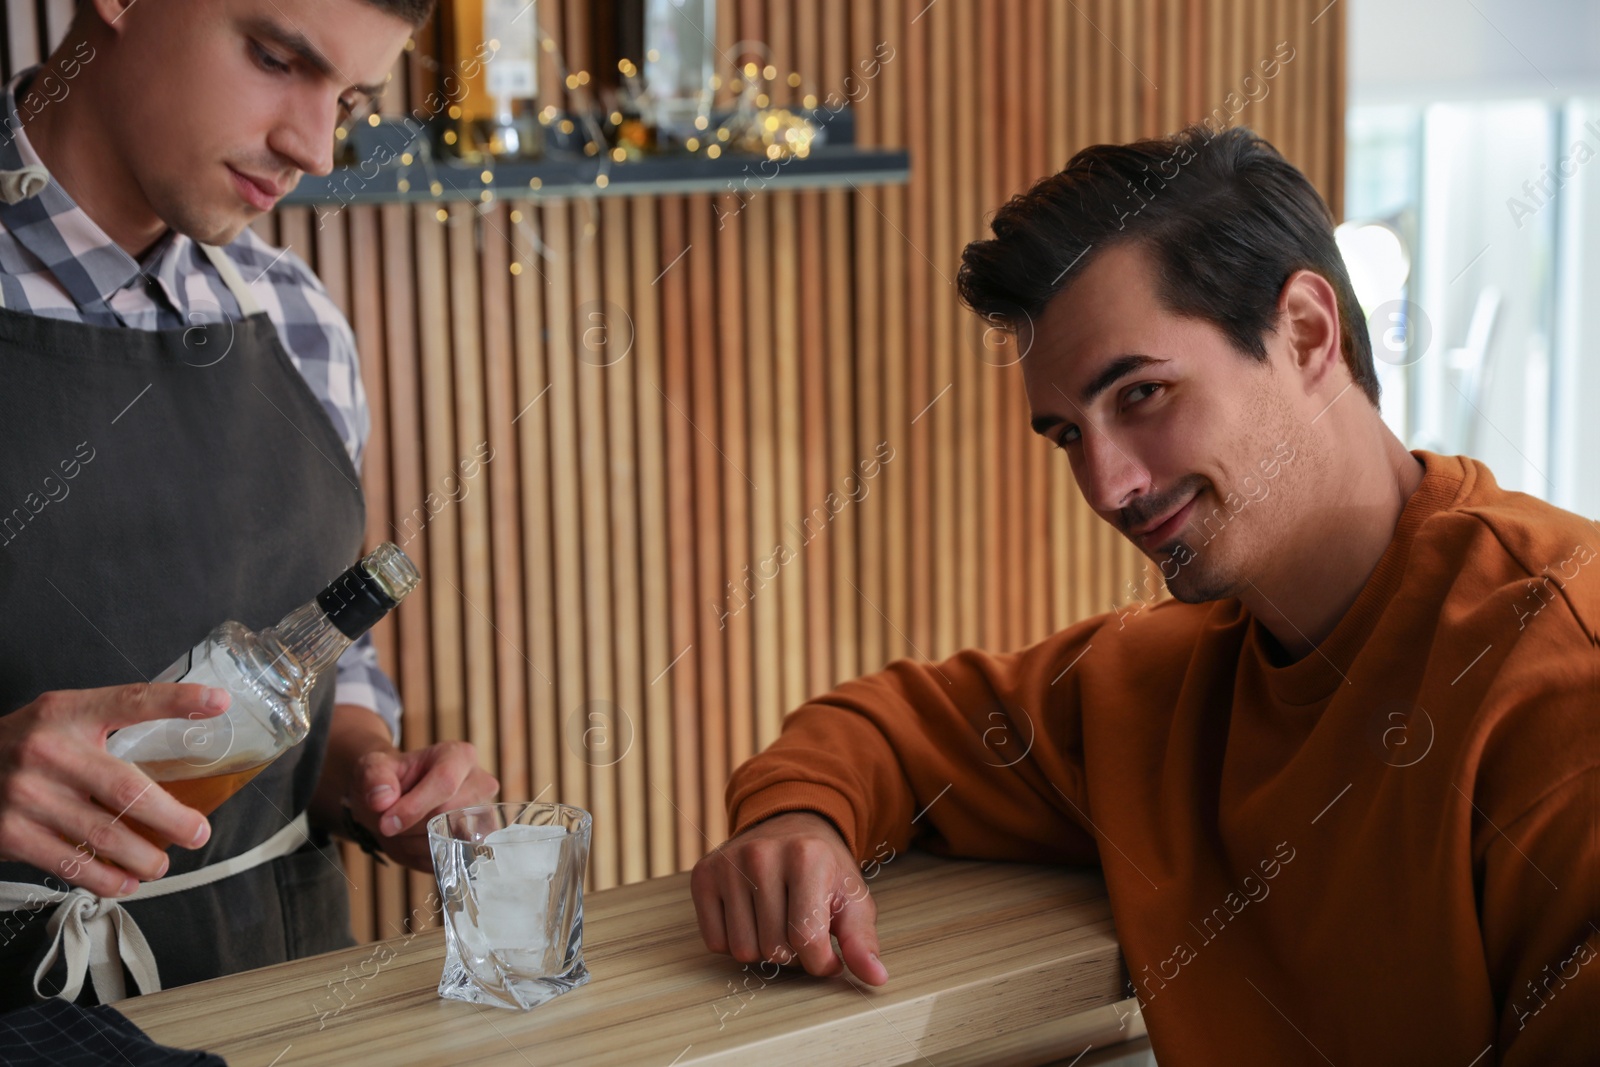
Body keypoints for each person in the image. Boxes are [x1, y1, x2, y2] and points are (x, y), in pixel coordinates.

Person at [691, 125, 1600, 1065]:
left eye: (1141, 394)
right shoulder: (1161, 682)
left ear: (1305, 333)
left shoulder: (1557, 670)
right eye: (1067, 435)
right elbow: (890, 727)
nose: (1108, 486)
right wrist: (796, 819)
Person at [0, 0, 496, 1007]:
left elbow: (322, 651)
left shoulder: (299, 319)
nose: (313, 148)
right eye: (275, 58)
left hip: (282, 997)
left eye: (350, 99)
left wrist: (369, 769)